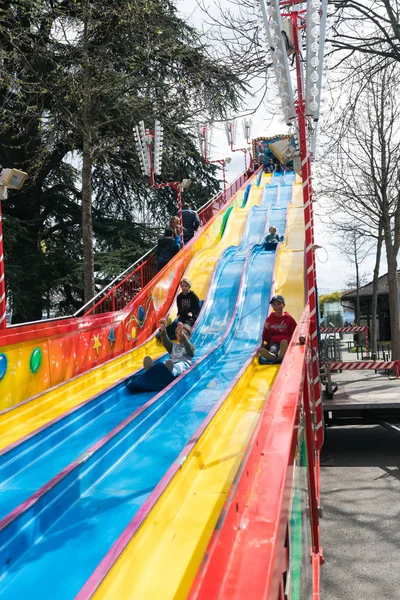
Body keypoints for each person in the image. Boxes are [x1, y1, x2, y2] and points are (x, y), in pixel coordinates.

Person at [258, 295, 297, 364]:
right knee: (273, 348)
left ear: (283, 305)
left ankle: (282, 354)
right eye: (274, 305)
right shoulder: (270, 319)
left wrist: (293, 342)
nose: (276, 306)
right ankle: (273, 356)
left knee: (284, 344)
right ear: (272, 306)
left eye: (279, 304)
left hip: (285, 342)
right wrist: (266, 330)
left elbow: (295, 332)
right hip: (274, 342)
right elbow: (266, 338)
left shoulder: (289, 319)